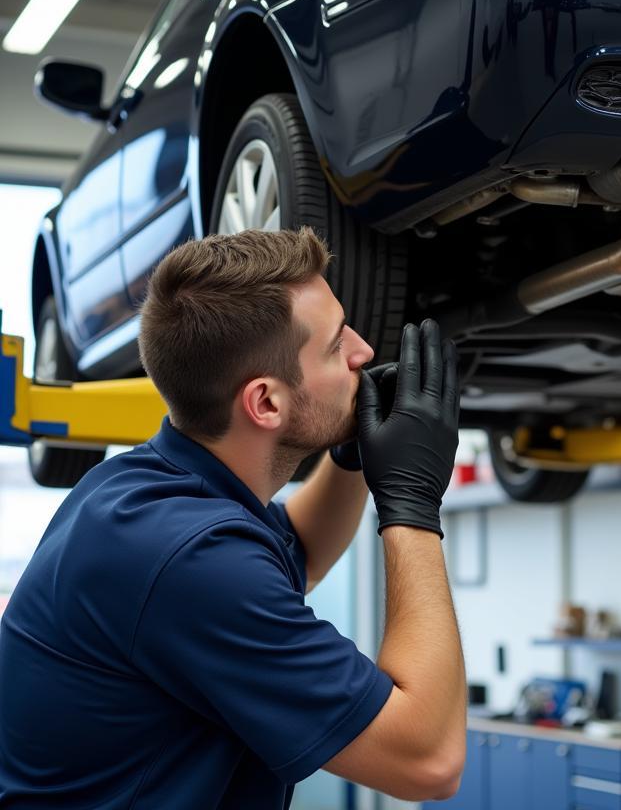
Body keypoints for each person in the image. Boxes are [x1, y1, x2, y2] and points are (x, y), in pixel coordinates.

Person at [0, 227, 467, 808]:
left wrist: (354, 456)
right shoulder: (186, 557)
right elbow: (429, 761)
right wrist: (413, 502)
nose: (362, 351)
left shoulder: (144, 491)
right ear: (265, 403)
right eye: (332, 346)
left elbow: (301, 551)